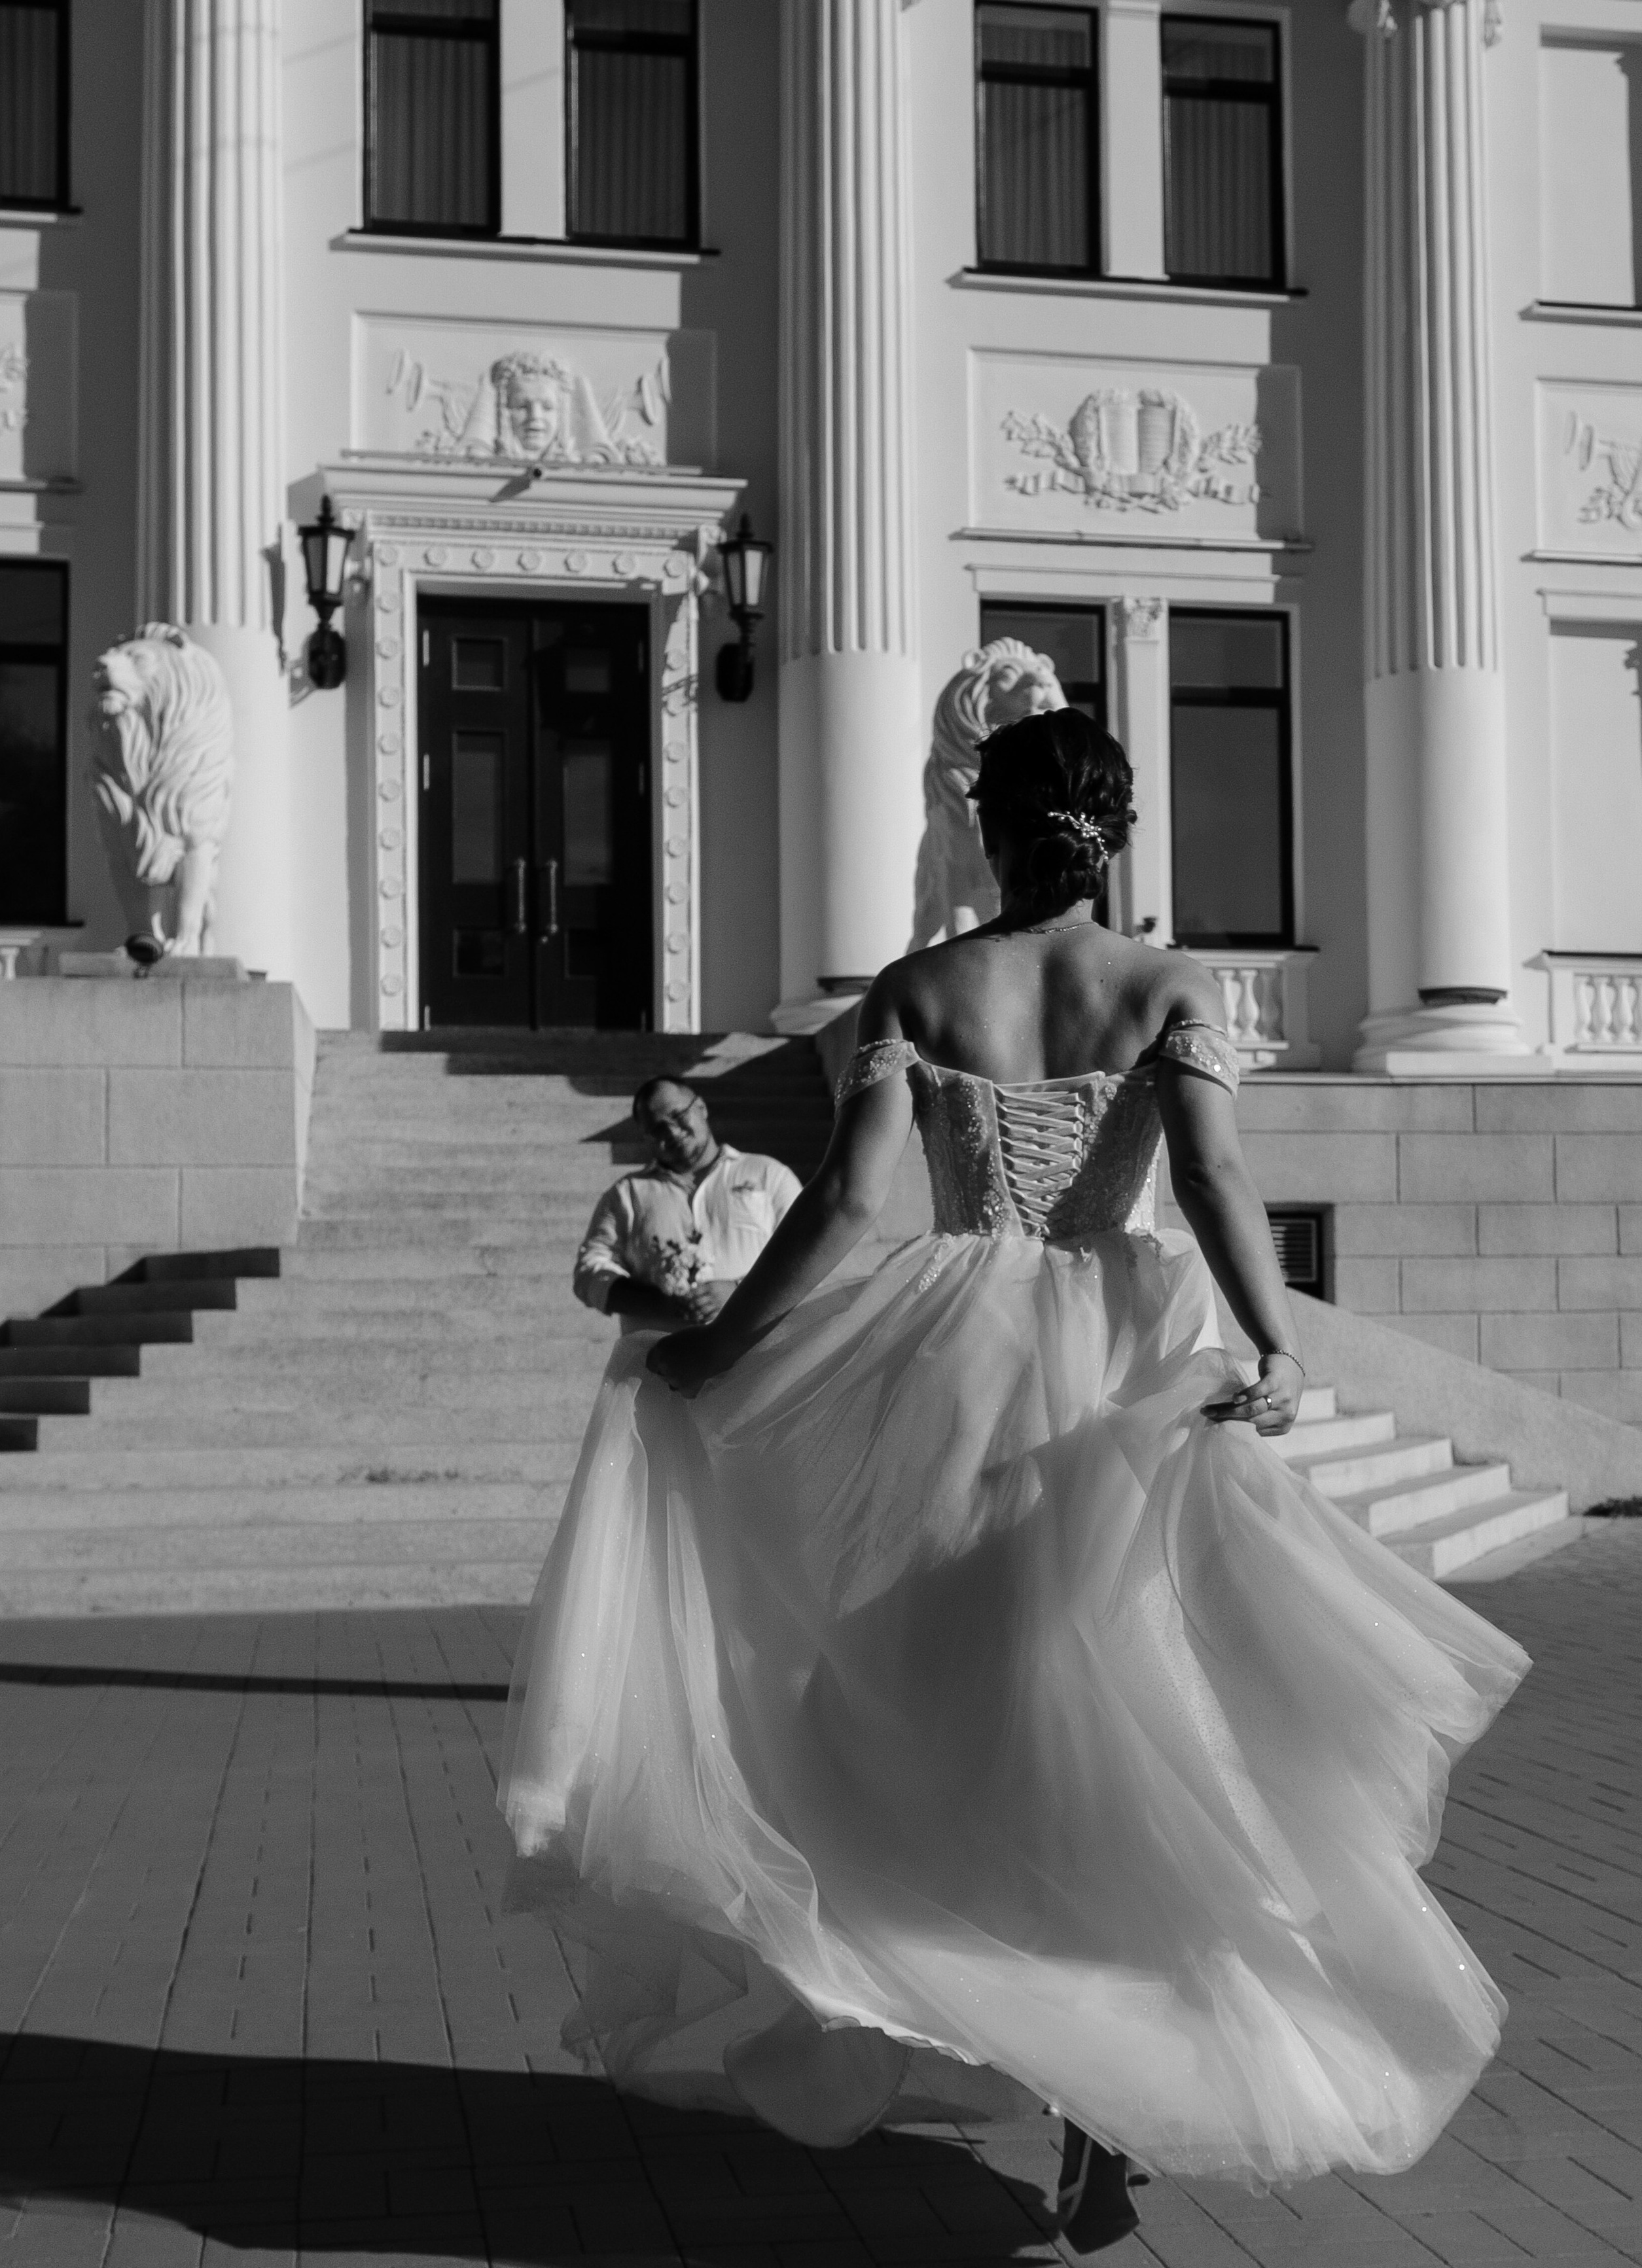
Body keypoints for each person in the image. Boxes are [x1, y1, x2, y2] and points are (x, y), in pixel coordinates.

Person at [501, 711, 1527, 2258]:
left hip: (952, 1361)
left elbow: (849, 1204)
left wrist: (721, 1353)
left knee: (947, 1721)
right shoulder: (1170, 985)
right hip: (1113, 1362)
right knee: (1137, 1723)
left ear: (988, 826)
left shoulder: (918, 990)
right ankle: (1099, 2104)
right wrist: (1269, 1337)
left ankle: (979, 2018)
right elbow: (1211, 1178)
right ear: (1112, 835)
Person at [573, 1075, 801, 1328]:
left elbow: (809, 1256)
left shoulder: (769, 1175)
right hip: (663, 1357)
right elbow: (589, 1274)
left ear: (701, 1107)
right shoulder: (627, 1194)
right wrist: (658, 1303)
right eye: (657, 1129)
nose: (672, 1132)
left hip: (758, 1355)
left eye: (678, 1116)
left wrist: (739, 1292)